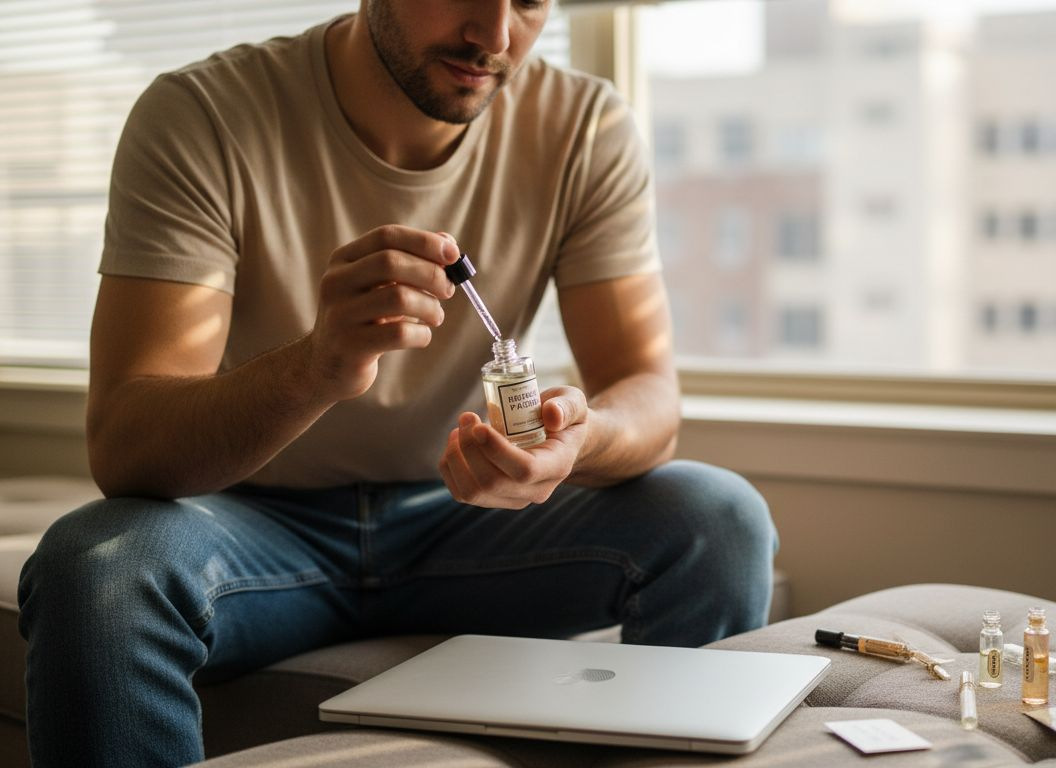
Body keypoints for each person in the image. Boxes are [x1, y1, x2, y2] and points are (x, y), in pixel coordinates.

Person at [17, 2, 777, 765]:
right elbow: (125, 447)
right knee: (96, 567)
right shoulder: (204, 114)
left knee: (718, 517)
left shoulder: (582, 124)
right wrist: (317, 366)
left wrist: (576, 441)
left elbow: (645, 389)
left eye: (531, 2)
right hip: (249, 527)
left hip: (466, 524)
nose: (496, 35)